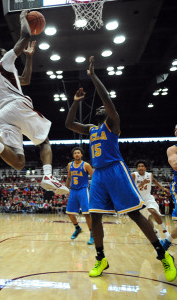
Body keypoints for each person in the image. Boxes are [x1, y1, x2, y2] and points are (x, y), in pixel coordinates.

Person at [65, 56, 176, 282]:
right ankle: (101, 258)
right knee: (94, 217)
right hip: (98, 175)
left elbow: (107, 101)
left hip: (115, 170)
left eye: (101, 108)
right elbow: (68, 124)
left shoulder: (112, 122)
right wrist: (76, 101)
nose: (99, 108)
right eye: (96, 108)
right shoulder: (92, 129)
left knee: (135, 214)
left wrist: (94, 76)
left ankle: (163, 255)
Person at [0, 10, 68, 195]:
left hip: (3, 115)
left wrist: (30, 57)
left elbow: (25, 79)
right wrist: (22, 18)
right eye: (7, 52)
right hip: (16, 106)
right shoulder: (3, 62)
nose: (12, 54)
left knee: (19, 163)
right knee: (44, 142)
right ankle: (48, 176)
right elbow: (25, 36)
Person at [131, 160, 170, 239]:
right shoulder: (133, 175)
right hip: (139, 200)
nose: (140, 167)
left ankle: (165, 231)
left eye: (142, 166)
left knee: (153, 211)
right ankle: (156, 233)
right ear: (137, 168)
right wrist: (142, 183)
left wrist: (162, 188)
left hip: (148, 198)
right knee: (147, 220)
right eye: (139, 166)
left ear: (145, 168)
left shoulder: (149, 175)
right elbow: (132, 188)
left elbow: (154, 181)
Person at [65, 147, 94, 245]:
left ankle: (92, 234)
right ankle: (77, 228)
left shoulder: (86, 165)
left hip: (83, 190)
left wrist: (94, 190)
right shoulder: (70, 165)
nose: (77, 154)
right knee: (69, 213)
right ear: (73, 155)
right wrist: (66, 189)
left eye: (79, 153)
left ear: (81, 155)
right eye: (75, 153)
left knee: (86, 213)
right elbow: (69, 178)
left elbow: (94, 177)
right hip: (73, 190)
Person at [160, 124, 177, 250]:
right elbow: (175, 164)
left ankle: (166, 241)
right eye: (175, 128)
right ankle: (166, 242)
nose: (176, 130)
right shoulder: (172, 149)